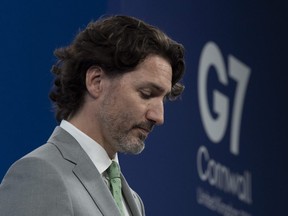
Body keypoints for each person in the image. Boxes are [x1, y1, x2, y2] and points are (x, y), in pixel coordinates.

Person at [0, 15, 185, 216]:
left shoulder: (134, 201)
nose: (158, 116)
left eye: (163, 100)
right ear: (96, 81)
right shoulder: (39, 174)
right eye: (146, 93)